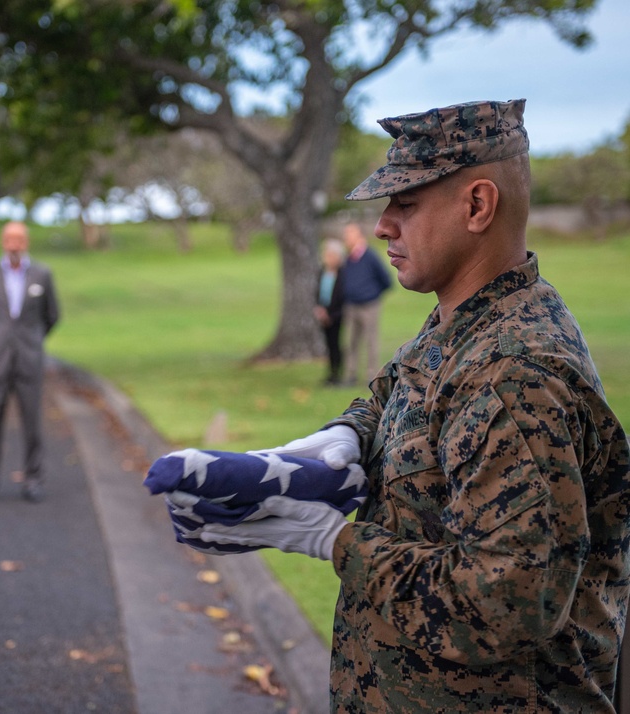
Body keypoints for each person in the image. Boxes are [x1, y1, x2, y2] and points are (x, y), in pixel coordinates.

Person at [173, 99, 630, 711]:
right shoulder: (466, 318)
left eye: (405, 204)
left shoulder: (514, 372)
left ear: (477, 206)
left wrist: (332, 541)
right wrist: (343, 438)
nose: (384, 225)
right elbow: (394, 393)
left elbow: (506, 607)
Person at [0, 221, 60, 503]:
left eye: (19, 239)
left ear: (27, 242)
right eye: (10, 239)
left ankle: (33, 479)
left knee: (32, 422)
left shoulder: (42, 274)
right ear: (3, 242)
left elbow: (52, 316)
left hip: (29, 359)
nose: (14, 244)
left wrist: (31, 340)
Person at [340, 220, 392, 386]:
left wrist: (371, 294)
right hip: (351, 305)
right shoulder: (348, 258)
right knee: (351, 342)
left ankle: (371, 376)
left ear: (359, 235)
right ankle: (350, 374)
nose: (346, 238)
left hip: (369, 305)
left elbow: (386, 280)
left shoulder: (370, 256)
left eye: (349, 234)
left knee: (371, 341)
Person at [314, 238, 346, 386]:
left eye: (331, 255)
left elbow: (343, 298)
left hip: (337, 315)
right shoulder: (322, 272)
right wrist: (319, 309)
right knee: (328, 345)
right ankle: (331, 373)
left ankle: (338, 373)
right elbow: (318, 292)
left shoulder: (342, 274)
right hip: (324, 313)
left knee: (336, 345)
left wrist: (331, 315)